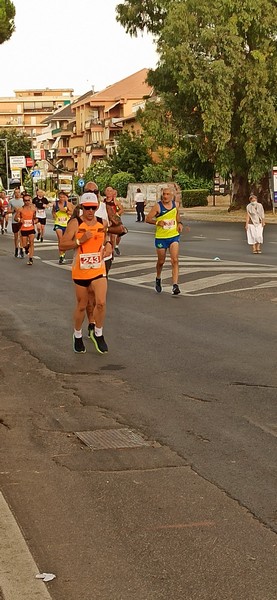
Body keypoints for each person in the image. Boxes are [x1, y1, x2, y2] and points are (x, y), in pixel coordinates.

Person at [59, 192, 109, 354]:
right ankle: (77, 334)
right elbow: (62, 245)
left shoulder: (102, 222)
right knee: (82, 306)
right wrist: (81, 240)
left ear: (97, 207)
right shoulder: (75, 223)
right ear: (81, 207)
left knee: (100, 302)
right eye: (87, 208)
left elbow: (106, 239)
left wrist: (108, 245)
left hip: (98, 268)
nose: (90, 211)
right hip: (81, 270)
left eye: (93, 208)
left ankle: (98, 333)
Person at [146, 187, 184, 295]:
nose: (165, 196)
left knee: (175, 260)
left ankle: (175, 285)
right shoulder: (158, 206)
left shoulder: (175, 205)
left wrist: (180, 223)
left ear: (172, 195)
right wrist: (158, 223)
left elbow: (177, 215)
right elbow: (147, 219)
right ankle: (158, 278)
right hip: (161, 237)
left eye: (167, 194)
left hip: (173, 236)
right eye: (164, 194)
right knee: (161, 261)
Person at [15, 193, 37, 266]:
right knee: (24, 244)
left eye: (28, 200)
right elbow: (15, 218)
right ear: (23, 201)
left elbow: (35, 217)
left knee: (32, 243)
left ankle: (30, 259)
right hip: (23, 229)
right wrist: (19, 220)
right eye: (25, 200)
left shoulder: (33, 208)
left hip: (31, 228)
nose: (27, 202)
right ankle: (26, 248)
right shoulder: (20, 209)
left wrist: (35, 220)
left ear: (30, 200)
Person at [103, 187, 126, 256]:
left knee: (113, 237)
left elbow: (121, 209)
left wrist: (116, 215)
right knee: (105, 236)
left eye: (110, 191)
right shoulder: (103, 201)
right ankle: (107, 250)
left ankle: (113, 250)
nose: (109, 192)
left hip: (114, 221)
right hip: (106, 220)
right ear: (105, 192)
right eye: (107, 190)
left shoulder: (115, 201)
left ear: (113, 192)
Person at [52, 191, 73, 263]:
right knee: (60, 239)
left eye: (63, 197)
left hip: (66, 224)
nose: (62, 198)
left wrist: (65, 211)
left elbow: (72, 212)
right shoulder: (55, 204)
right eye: (60, 197)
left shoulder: (68, 204)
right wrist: (54, 216)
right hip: (58, 223)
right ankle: (61, 256)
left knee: (65, 240)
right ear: (58, 197)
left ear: (65, 197)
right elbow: (53, 211)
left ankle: (63, 253)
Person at [8, 188, 24, 258]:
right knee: (16, 236)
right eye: (16, 193)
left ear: (20, 193)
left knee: (21, 236)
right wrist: (13, 210)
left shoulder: (23, 201)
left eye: (18, 192)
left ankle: (21, 249)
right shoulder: (11, 201)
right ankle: (16, 248)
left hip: (21, 220)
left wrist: (21, 210)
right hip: (14, 221)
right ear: (14, 193)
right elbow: (8, 211)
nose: (17, 194)